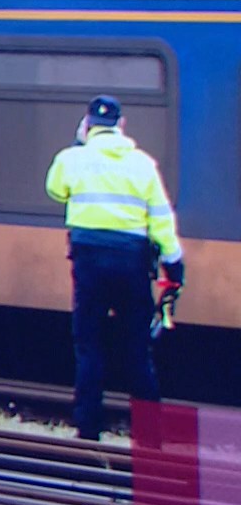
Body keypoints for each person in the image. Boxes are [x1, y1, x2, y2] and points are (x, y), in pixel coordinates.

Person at [45, 95, 183, 442]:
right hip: (132, 263)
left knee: (89, 346)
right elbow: (161, 218)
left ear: (87, 125)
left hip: (89, 264)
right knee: (137, 349)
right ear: (121, 125)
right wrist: (173, 261)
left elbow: (55, 190)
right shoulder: (143, 164)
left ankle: (88, 429)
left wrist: (79, 144)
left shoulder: (71, 159)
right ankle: (149, 436)